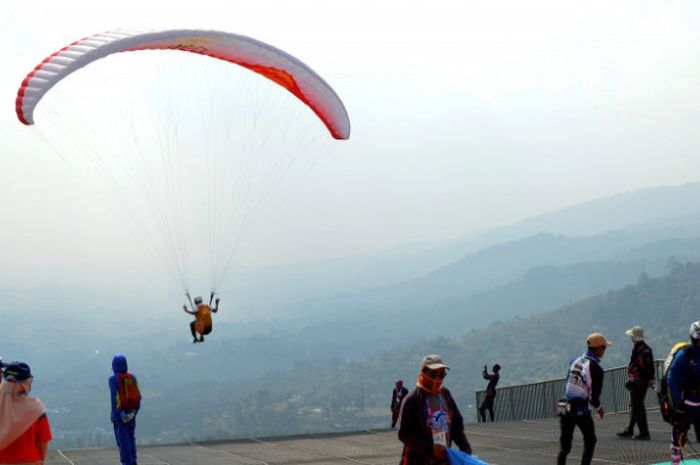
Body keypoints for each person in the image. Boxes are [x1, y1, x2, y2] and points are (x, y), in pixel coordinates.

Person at [398, 354, 472, 465]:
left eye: (441, 374)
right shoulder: (412, 400)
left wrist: (464, 447)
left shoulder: (445, 395)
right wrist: (429, 449)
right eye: (433, 373)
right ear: (423, 372)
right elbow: (403, 433)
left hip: (442, 460)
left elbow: (456, 425)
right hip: (418, 460)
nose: (437, 378)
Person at [557, 332, 611, 465]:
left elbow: (567, 383)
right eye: (604, 347)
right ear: (598, 348)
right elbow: (594, 399)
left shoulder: (574, 361)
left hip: (563, 405)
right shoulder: (596, 369)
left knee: (565, 447)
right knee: (590, 440)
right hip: (579, 408)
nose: (604, 350)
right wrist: (599, 409)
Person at [0, 362, 52, 465]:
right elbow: (44, 440)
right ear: (26, 383)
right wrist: (41, 461)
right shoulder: (36, 409)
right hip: (31, 460)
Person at [667, 321, 700, 465]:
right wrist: (677, 402)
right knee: (679, 436)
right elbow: (672, 378)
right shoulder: (685, 355)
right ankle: (676, 462)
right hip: (687, 402)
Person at [616, 325, 654, 440]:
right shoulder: (646, 348)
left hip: (638, 382)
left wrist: (636, 380)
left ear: (634, 337)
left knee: (638, 406)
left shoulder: (639, 349)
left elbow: (640, 367)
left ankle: (644, 432)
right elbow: (649, 367)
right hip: (642, 381)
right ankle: (629, 429)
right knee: (635, 405)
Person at [109, 354, 141, 465]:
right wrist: (134, 411)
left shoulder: (113, 379)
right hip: (132, 413)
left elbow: (115, 398)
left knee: (123, 441)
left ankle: (126, 462)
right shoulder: (132, 378)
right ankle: (133, 461)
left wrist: (120, 413)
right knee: (131, 438)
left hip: (119, 415)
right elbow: (138, 395)